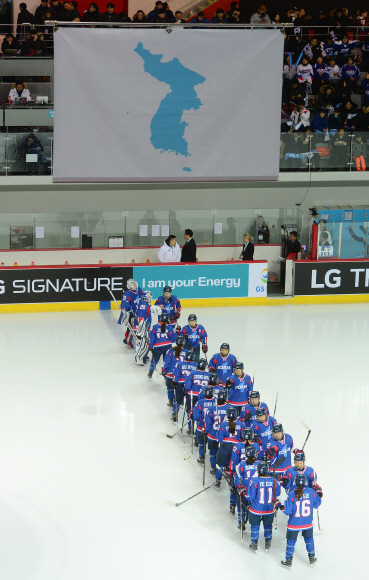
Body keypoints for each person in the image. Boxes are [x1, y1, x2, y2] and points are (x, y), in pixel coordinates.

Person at [280, 474, 322, 569]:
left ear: (295, 482)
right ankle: (312, 558)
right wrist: (319, 493)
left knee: (291, 542)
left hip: (294, 524)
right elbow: (317, 504)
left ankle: (288, 560)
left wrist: (278, 506)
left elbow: (287, 511)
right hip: (307, 523)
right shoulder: (311, 492)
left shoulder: (291, 494)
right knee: (309, 540)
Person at [247, 460, 281, 553]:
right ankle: (268, 541)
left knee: (255, 526)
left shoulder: (254, 481)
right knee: (268, 526)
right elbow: (277, 493)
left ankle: (254, 543)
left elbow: (250, 497)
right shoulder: (274, 480)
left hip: (256, 509)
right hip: (269, 509)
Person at [215, 407, 244, 490]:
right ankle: (232, 482)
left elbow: (218, 439)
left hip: (224, 447)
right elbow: (243, 437)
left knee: (219, 465)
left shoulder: (223, 425)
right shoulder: (241, 424)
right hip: (235, 448)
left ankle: (217, 481)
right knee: (233, 465)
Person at [205, 388, 230, 476]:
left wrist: (206, 431)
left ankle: (213, 468)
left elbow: (208, 422)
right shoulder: (230, 408)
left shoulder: (212, 408)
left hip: (212, 434)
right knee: (224, 455)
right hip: (225, 437)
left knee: (213, 452)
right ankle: (224, 469)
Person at [234, 446, 260, 530]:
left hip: (245, 490)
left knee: (241, 507)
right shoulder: (260, 463)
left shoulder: (242, 464)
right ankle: (254, 526)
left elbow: (237, 477)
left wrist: (238, 485)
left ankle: (241, 523)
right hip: (255, 491)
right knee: (253, 508)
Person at [134, 291, 162, 366]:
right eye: (149, 297)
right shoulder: (144, 305)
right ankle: (138, 358)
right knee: (141, 343)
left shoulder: (144, 304)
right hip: (141, 328)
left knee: (145, 343)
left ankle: (143, 355)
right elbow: (140, 317)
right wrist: (141, 328)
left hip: (143, 327)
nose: (150, 298)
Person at [172, 350, 198, 428]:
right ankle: (190, 423)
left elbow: (176, 374)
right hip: (191, 387)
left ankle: (174, 413)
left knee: (178, 400)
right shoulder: (196, 365)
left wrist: (174, 382)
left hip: (180, 384)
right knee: (190, 405)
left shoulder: (179, 364)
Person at [148, 312, 176, 379]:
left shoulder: (154, 327)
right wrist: (176, 331)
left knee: (154, 361)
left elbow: (152, 338)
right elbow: (173, 340)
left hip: (157, 348)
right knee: (167, 361)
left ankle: (150, 372)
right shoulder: (170, 328)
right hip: (167, 347)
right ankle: (165, 374)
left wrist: (150, 346)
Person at [193, 385, 215, 464]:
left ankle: (201, 457)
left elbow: (196, 417)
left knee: (202, 444)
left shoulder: (200, 402)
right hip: (213, 429)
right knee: (213, 448)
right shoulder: (216, 402)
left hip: (201, 427)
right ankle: (213, 461)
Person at [162, 335, 187, 407]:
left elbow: (166, 362)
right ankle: (181, 400)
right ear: (184, 343)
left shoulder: (170, 350)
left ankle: (171, 401)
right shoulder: (187, 352)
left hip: (171, 373)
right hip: (182, 375)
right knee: (180, 388)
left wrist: (165, 370)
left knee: (169, 387)